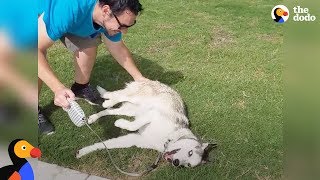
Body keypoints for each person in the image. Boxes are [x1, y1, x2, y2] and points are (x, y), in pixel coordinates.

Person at [38, 0, 148, 135]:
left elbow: (117, 46)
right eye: (122, 26)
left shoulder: (110, 14)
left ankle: (81, 88)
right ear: (106, 11)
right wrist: (58, 88)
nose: (123, 31)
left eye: (129, 26)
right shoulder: (69, 8)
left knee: (89, 45)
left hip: (76, 16)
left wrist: (139, 77)